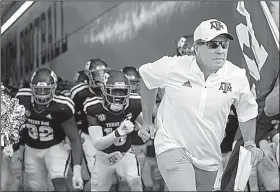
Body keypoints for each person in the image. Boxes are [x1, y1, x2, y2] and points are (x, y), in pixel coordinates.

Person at [138, 19, 262, 191]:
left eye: (224, 44)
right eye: (213, 45)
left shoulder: (236, 76)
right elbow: (145, 78)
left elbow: (247, 111)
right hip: (171, 145)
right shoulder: (173, 66)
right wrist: (147, 121)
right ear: (197, 48)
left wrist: (250, 143)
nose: (220, 50)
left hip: (209, 157)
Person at [13, 68, 83, 191]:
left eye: (46, 90)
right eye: (38, 90)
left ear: (54, 88)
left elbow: (75, 139)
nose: (42, 94)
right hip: (32, 148)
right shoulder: (22, 99)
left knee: (59, 180)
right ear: (31, 88)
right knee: (37, 188)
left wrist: (77, 170)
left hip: (55, 147)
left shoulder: (62, 106)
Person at [84, 70, 143, 191]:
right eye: (114, 91)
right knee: (97, 188)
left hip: (125, 153)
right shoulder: (93, 107)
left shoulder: (134, 103)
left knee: (135, 182)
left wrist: (144, 129)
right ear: (104, 90)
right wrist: (118, 132)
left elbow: (147, 124)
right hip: (103, 157)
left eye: (122, 92)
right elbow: (98, 144)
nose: (118, 96)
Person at [69, 58, 111, 191]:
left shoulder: (112, 86)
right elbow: (70, 116)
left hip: (110, 135)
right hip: (88, 135)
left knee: (114, 176)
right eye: (96, 73)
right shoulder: (79, 92)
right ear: (88, 75)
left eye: (102, 73)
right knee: (96, 175)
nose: (100, 77)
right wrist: (74, 136)